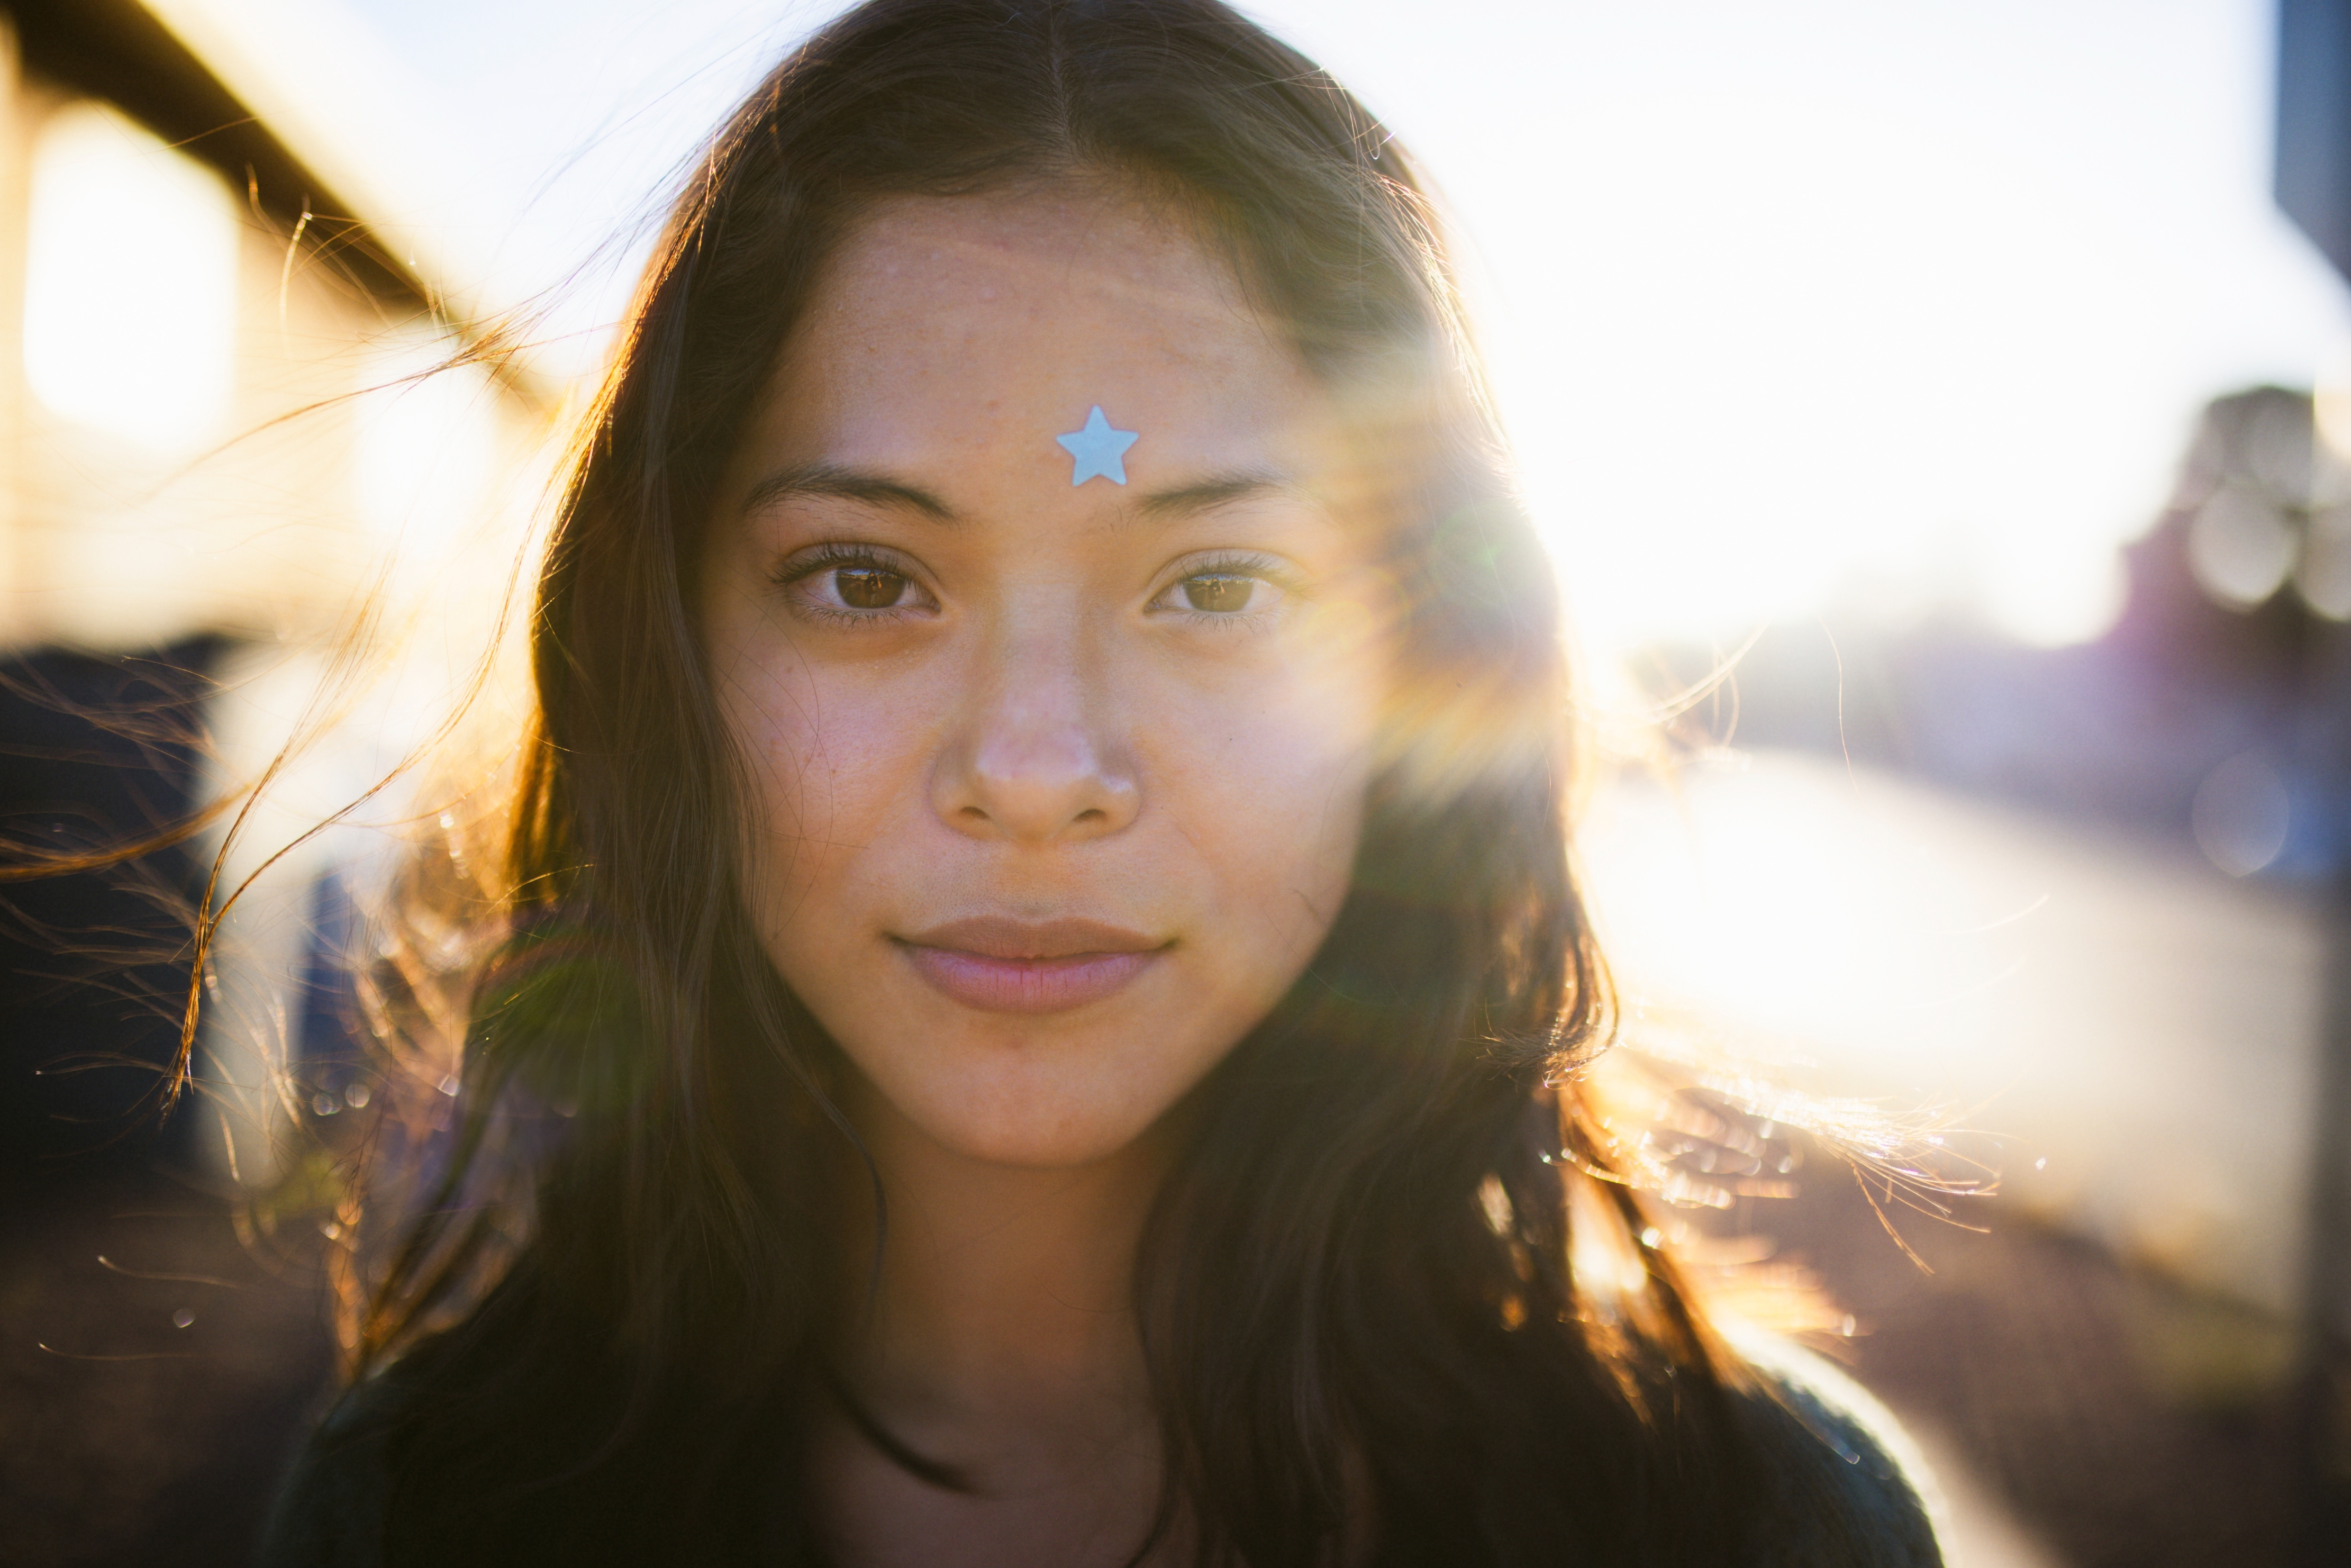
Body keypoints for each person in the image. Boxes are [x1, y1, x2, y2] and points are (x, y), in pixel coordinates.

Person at [257, 1, 1944, 1562]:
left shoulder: (1746, 1518)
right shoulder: (421, 1510)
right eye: (863, 579)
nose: (1037, 772)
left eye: (1218, 587)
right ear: (664, 653)